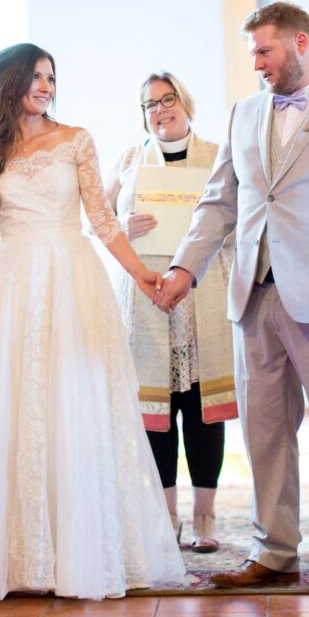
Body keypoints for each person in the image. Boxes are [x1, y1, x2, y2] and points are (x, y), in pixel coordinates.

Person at [155, 2, 309, 605]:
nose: (259, 66)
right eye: (253, 56)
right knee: (266, 434)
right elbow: (219, 203)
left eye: (265, 53)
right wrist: (185, 267)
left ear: (300, 43)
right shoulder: (244, 113)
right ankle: (274, 552)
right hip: (253, 297)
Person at [0, 43, 184, 606]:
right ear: (11, 81)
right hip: (9, 291)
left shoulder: (75, 140)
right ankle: (14, 555)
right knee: (12, 412)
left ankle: (77, 553)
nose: (46, 85)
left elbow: (102, 220)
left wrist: (141, 276)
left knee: (70, 407)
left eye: (51, 77)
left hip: (68, 282)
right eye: (36, 76)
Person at [105, 72, 235, 552]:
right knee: (156, 411)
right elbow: (99, 218)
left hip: (201, 297)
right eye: (149, 104)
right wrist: (124, 224)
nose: (160, 109)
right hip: (147, 296)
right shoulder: (128, 159)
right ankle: (168, 515)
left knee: (202, 410)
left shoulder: (218, 154)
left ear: (185, 102)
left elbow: (236, 216)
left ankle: (206, 513)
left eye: (167, 99)